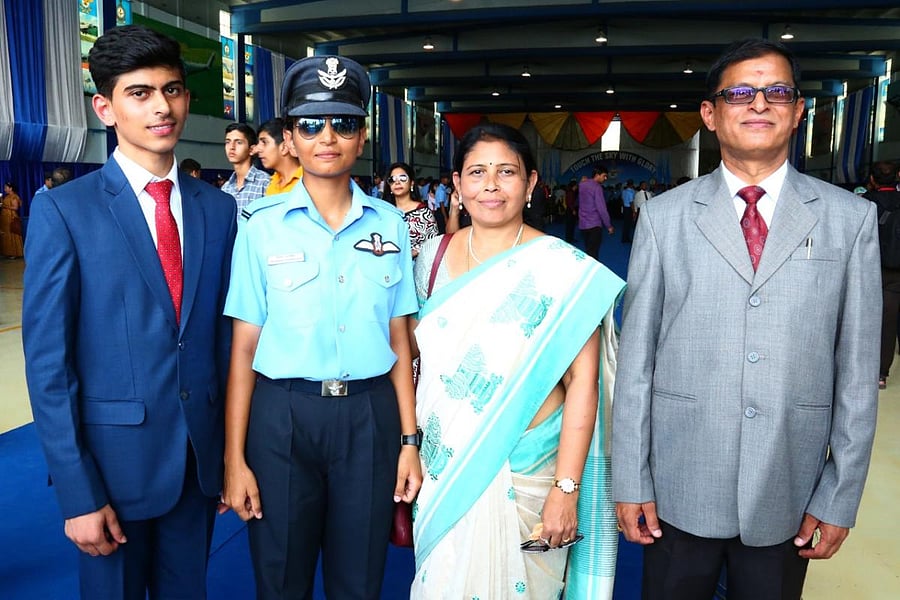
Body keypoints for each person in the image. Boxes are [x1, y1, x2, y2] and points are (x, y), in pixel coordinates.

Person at [612, 38, 880, 600]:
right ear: (710, 114)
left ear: (798, 110)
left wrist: (839, 495)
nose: (760, 103)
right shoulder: (663, 219)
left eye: (777, 91)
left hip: (789, 482)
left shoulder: (850, 219)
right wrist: (632, 479)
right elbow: (637, 360)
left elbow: (857, 374)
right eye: (740, 92)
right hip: (681, 482)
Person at [22, 24, 237, 600]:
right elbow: (48, 366)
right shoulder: (66, 212)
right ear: (105, 106)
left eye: (172, 90)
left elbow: (220, 340)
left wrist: (227, 457)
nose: (161, 107)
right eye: (139, 93)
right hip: (111, 472)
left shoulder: (217, 210)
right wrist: (77, 491)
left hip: (197, 465)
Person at [222, 54, 422, 599]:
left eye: (345, 122)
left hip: (370, 417)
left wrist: (409, 440)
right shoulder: (260, 228)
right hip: (282, 417)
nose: (327, 136)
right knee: (280, 576)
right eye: (311, 124)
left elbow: (399, 340)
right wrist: (233, 458)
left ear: (362, 137)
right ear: (289, 138)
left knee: (359, 579)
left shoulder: (391, 226)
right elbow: (244, 349)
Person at [410, 123, 624, 599]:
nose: (490, 184)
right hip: (446, 466)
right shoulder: (430, 260)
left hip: (531, 470)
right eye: (477, 172)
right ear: (458, 184)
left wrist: (566, 489)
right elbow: (413, 357)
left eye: (506, 172)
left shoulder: (563, 270)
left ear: (529, 184)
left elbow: (583, 383)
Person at [862, 161, 900, 389]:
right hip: (896, 272)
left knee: (862, 320)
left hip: (869, 270)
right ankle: (881, 374)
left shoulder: (864, 203)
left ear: (873, 179)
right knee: (888, 322)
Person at [384, 161, 438, 259]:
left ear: (411, 183)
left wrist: (413, 252)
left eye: (403, 178)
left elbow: (433, 242)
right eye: (392, 179)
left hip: (417, 268)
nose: (397, 182)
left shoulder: (423, 212)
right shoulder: (385, 212)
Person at [222, 122, 270, 215]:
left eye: (238, 142)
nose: (231, 147)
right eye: (228, 142)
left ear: (251, 150)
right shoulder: (225, 188)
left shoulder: (264, 182)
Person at [255, 117, 303, 196]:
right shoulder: (271, 184)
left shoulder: (308, 180)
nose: (258, 149)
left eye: (264, 142)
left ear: (284, 147)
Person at [578, 166, 614, 260]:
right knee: (593, 253)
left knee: (588, 250)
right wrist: (609, 225)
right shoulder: (597, 187)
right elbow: (601, 208)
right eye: (604, 176)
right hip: (594, 225)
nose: (605, 178)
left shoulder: (582, 184)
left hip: (583, 224)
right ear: (597, 175)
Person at [0, 182, 24, 258]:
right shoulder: (7, 197)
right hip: (5, 219)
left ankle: (14, 253)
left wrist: (4, 206)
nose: (5, 189)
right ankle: (7, 252)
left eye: (6, 187)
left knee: (12, 234)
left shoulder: (14, 197)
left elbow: (15, 208)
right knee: (6, 235)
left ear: (11, 188)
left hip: (11, 218)